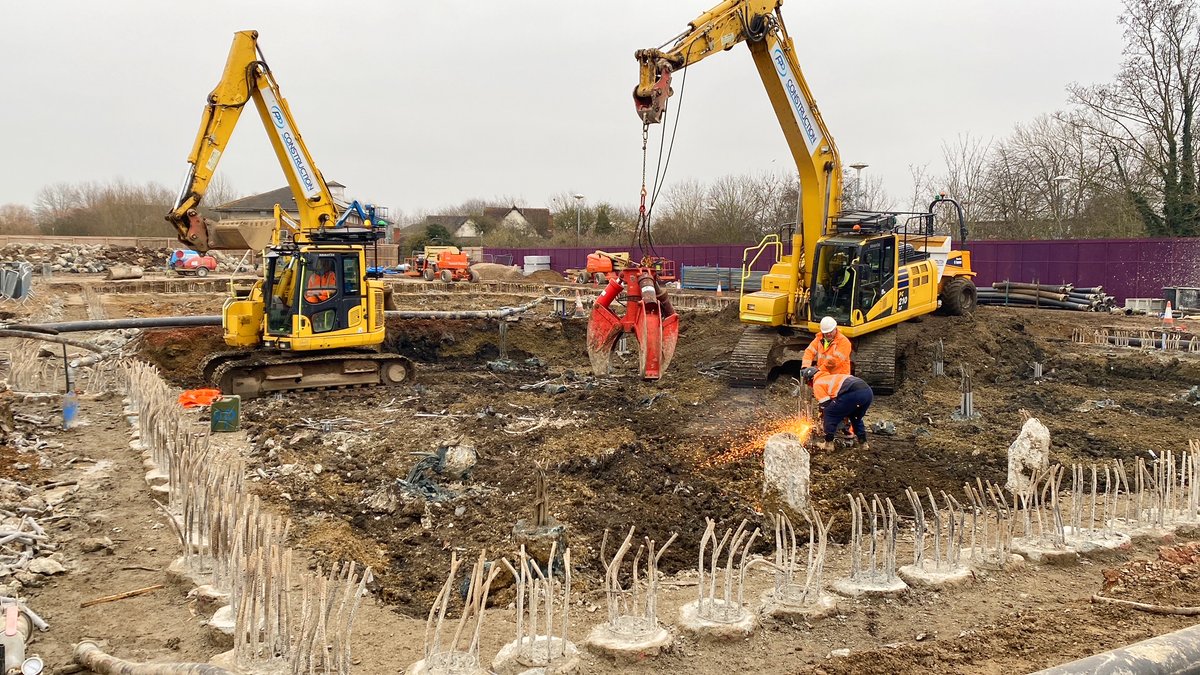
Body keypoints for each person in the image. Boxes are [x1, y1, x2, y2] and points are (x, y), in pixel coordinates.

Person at [803, 368, 873, 451]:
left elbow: (825, 406)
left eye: (809, 384)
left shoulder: (817, 383)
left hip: (852, 392)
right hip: (867, 392)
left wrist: (823, 420)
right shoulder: (830, 377)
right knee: (855, 417)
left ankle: (828, 444)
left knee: (829, 413)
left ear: (810, 380)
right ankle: (863, 444)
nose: (810, 386)